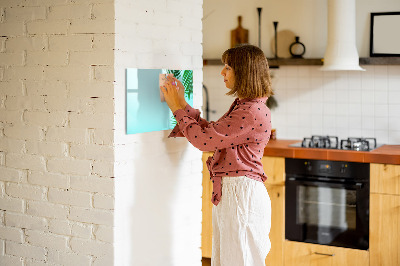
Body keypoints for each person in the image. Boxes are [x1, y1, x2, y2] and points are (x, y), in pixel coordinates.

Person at [161, 44, 273, 266]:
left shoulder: (250, 111)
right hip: (236, 193)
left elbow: (204, 141)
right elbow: (212, 133)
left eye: (228, 67)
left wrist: (176, 108)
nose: (222, 72)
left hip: (241, 195)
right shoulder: (246, 106)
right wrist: (182, 104)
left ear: (244, 72)